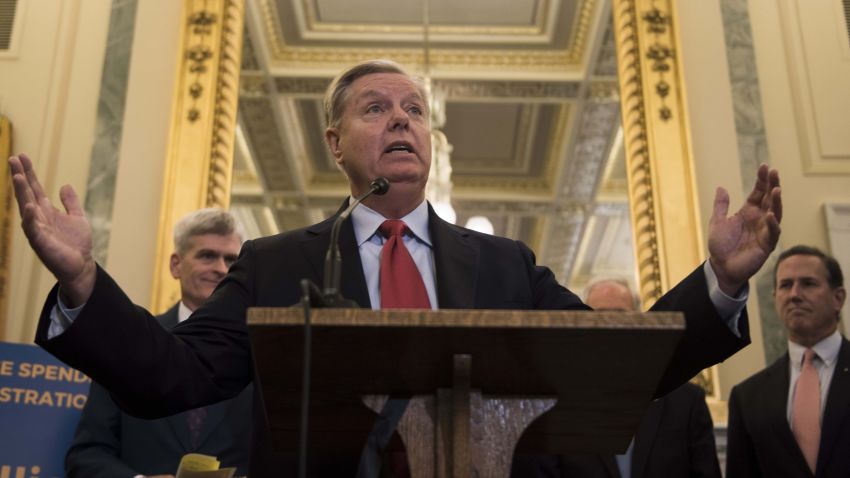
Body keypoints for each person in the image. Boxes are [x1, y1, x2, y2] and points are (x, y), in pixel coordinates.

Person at [8, 59, 782, 477]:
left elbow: (620, 364)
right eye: (376, 107)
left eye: (413, 108)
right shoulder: (281, 265)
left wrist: (720, 283)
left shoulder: (505, 264)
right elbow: (169, 376)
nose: (402, 118)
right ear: (334, 143)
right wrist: (82, 282)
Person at [64, 209, 253, 478]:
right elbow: (86, 455)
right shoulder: (128, 342)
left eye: (231, 260)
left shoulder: (259, 352)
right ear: (176, 265)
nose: (221, 269)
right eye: (207, 256)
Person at [559, 279, 721, 478]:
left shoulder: (686, 402)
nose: (610, 326)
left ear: (639, 321)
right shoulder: (560, 404)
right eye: (598, 316)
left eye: (620, 315)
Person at [726, 245, 849, 478]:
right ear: (775, 299)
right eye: (785, 285)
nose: (794, 294)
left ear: (838, 298)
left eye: (808, 283)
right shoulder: (748, 398)